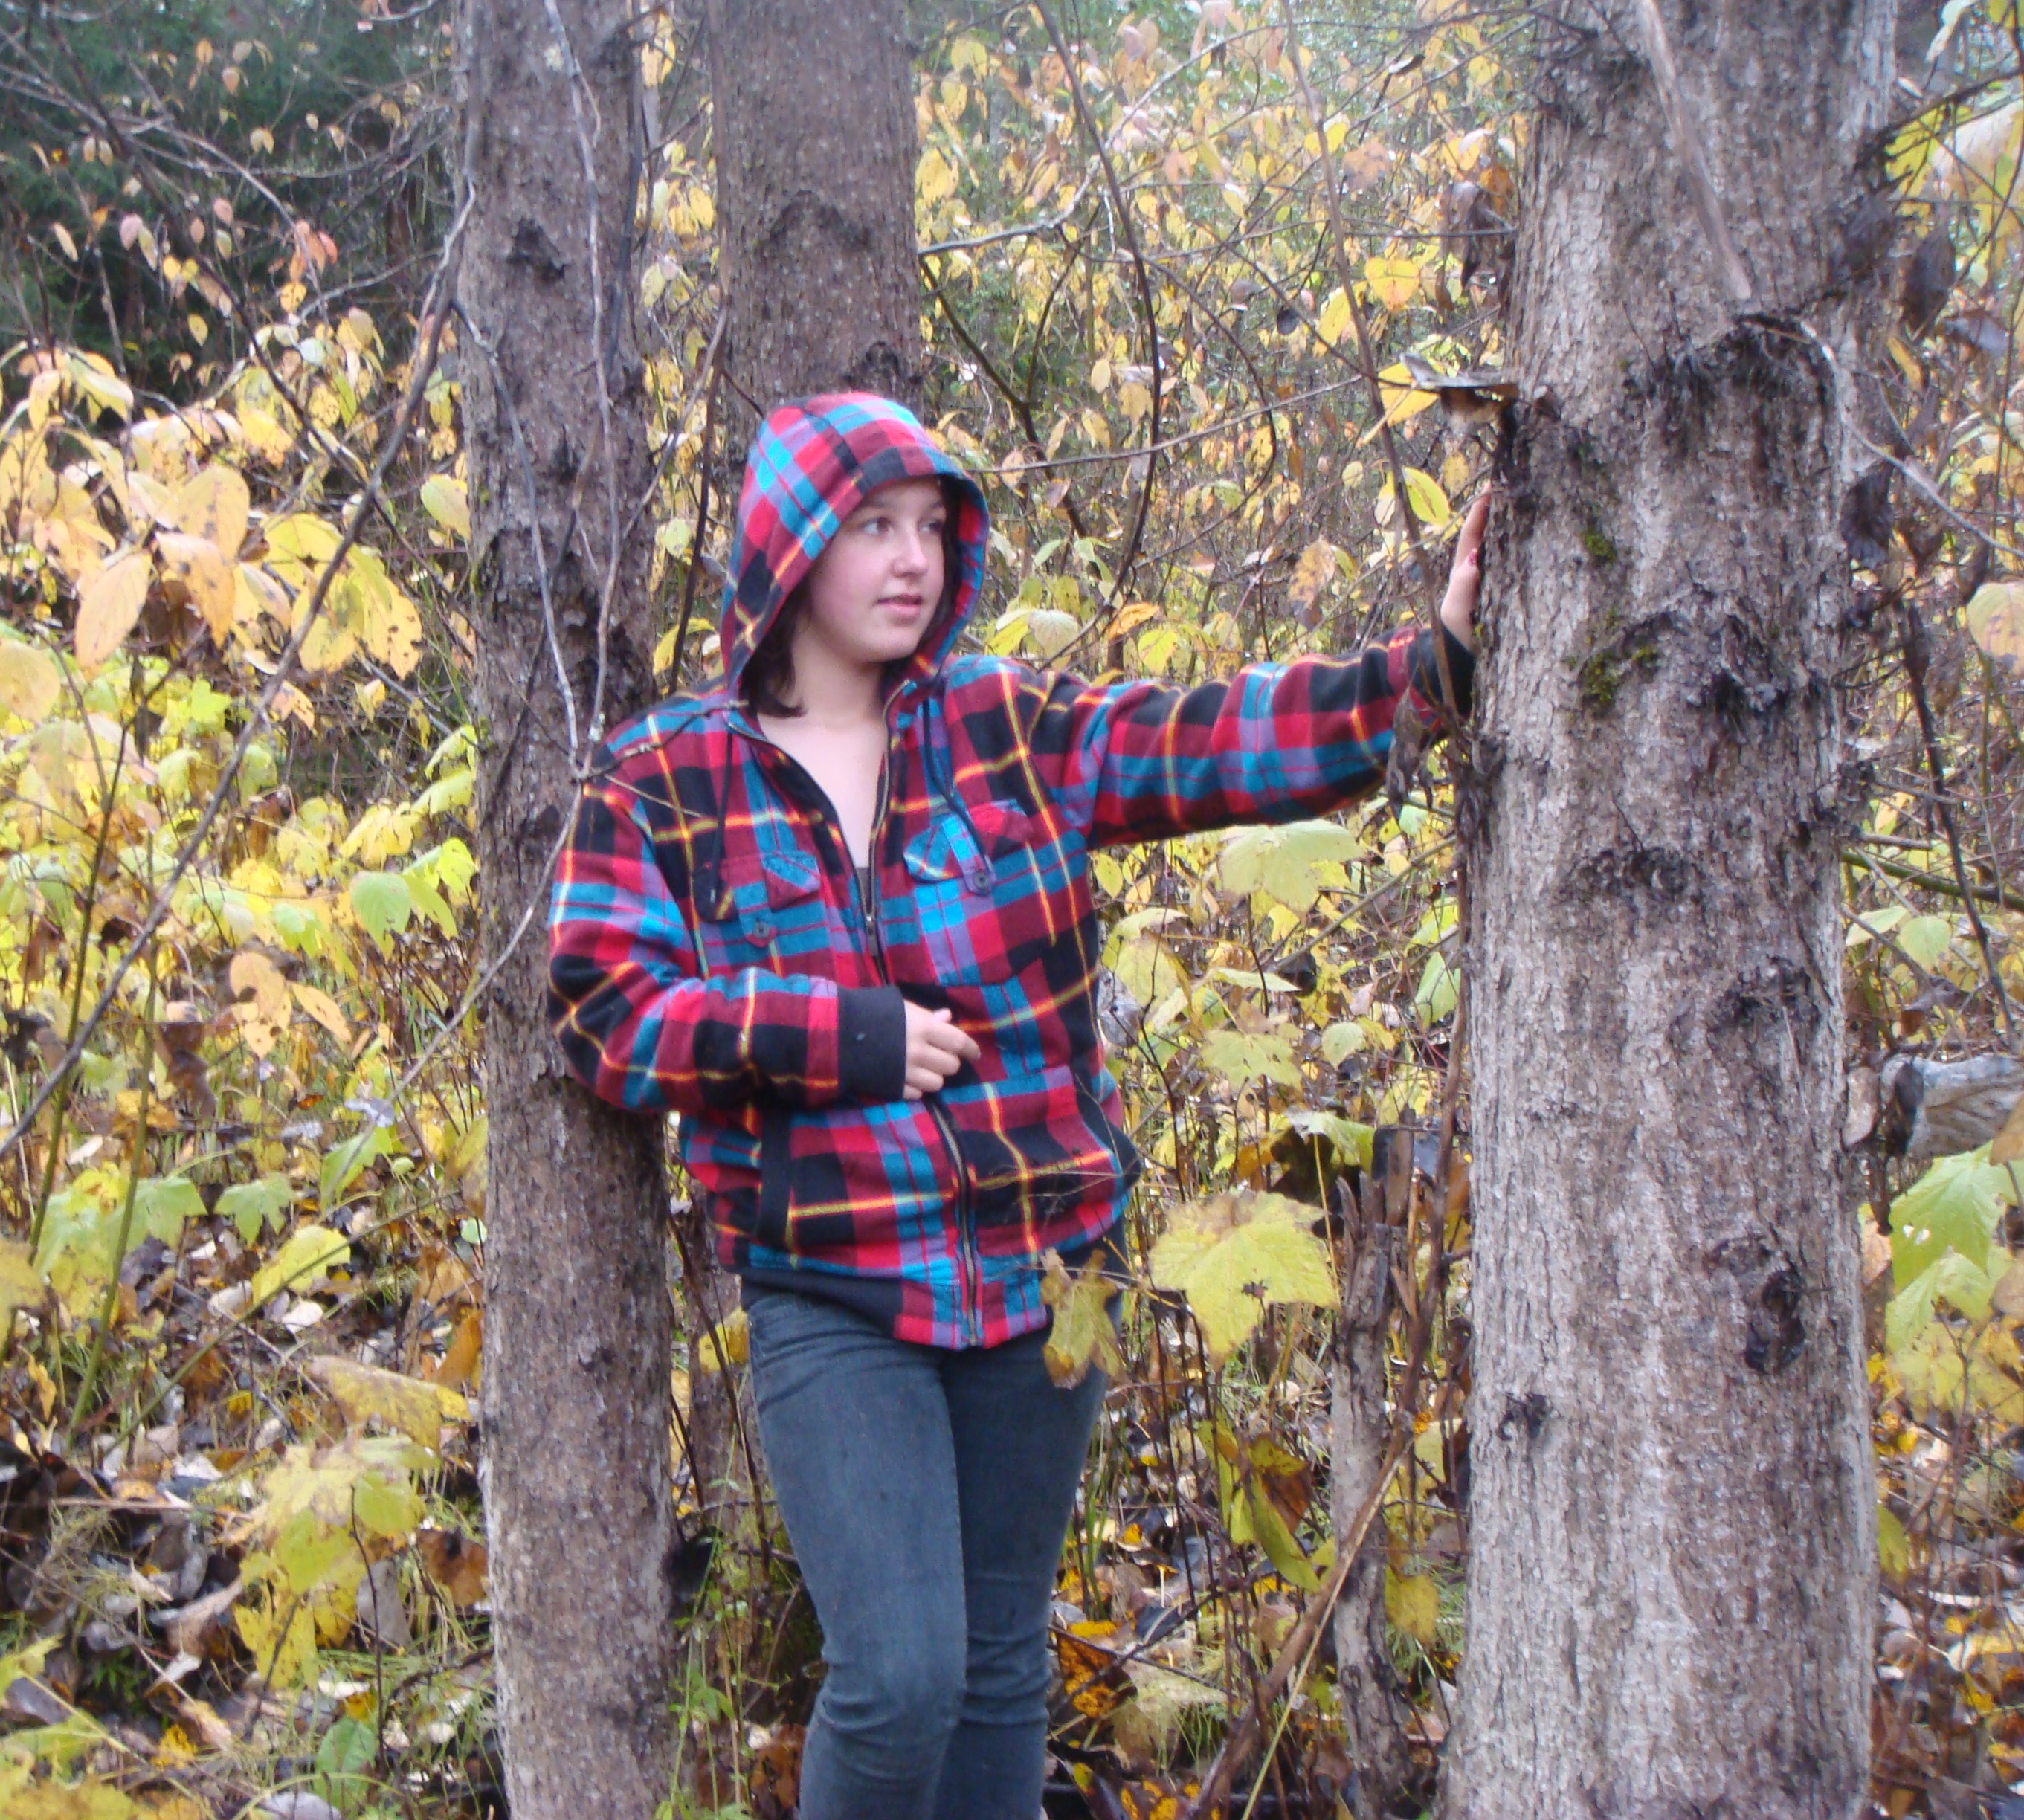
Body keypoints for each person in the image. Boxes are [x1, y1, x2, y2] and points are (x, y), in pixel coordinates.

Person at [547, 392, 1481, 1819]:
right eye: (872, 526)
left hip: (1046, 1273)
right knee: (900, 1676)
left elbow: (1209, 741)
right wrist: (837, 1035)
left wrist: (1429, 669)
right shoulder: (666, 778)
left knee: (997, 1671)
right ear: (791, 545)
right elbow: (603, 1012)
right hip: (833, 1283)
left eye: (931, 528)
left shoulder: (1005, 724)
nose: (910, 559)